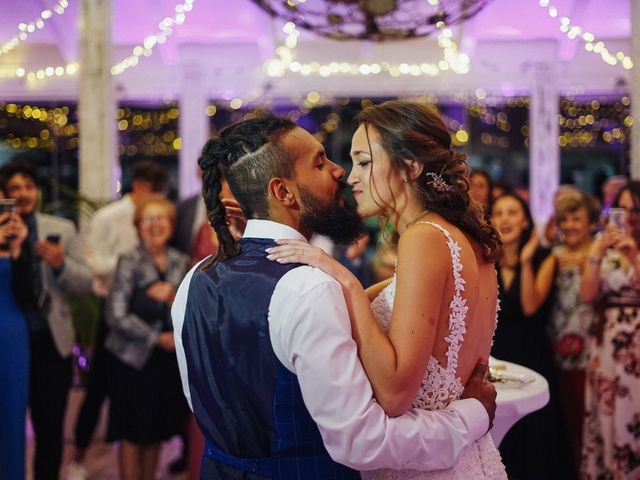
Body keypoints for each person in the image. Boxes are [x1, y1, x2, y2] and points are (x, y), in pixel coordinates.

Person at [171, 114, 498, 479]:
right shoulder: (312, 287)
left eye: (361, 161)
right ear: (283, 192)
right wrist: (472, 415)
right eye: (320, 162)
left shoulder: (194, 279)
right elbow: (363, 441)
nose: (341, 172)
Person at [267, 101, 506, 478]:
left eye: (364, 161)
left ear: (410, 167)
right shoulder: (468, 241)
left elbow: (395, 395)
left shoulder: (423, 239)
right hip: (465, 457)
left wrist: (343, 277)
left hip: (426, 466)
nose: (350, 177)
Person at [66, 160, 170, 480]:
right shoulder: (107, 217)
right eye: (153, 194)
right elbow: (94, 262)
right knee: (97, 389)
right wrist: (133, 265)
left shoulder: (161, 218)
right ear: (139, 187)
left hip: (153, 315)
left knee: (146, 395)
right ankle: (79, 457)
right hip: (112, 312)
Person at [0, 158, 93, 480]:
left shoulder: (60, 228)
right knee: (8, 425)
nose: (23, 193)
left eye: (29, 186)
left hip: (52, 343)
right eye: (15, 188)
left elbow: (86, 282)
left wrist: (60, 265)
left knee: (50, 429)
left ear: (37, 191)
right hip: (8, 342)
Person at [490, 193, 575, 479]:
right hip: (497, 353)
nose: (505, 219)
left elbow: (529, 306)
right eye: (498, 213)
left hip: (533, 352)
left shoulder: (543, 258)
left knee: (537, 432)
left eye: (512, 212)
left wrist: (525, 260)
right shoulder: (486, 260)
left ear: (525, 220)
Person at [105, 197, 190, 480]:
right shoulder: (128, 260)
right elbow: (115, 315)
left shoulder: (181, 261)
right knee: (132, 432)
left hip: (166, 363)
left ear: (172, 224)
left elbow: (189, 309)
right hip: (132, 361)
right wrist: (156, 338)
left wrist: (172, 295)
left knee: (155, 431)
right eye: (148, 219)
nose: (155, 225)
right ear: (137, 227)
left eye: (161, 218)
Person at [529, 192, 599, 473]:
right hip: (558, 350)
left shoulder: (602, 254)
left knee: (594, 421)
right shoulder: (554, 257)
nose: (569, 225)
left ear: (592, 223)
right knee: (568, 422)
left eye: (576, 219)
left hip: (595, 352)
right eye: (564, 220)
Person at [581, 181, 640, 479]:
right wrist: (597, 252)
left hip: (637, 344)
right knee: (607, 410)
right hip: (607, 342)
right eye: (623, 208)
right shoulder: (606, 248)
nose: (628, 216)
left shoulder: (632, 250)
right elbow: (588, 294)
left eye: (635, 209)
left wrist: (633, 258)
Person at [0, 184, 29, 480]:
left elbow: (28, 296)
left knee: (11, 416)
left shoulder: (17, 242)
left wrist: (18, 247)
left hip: (11, 337)